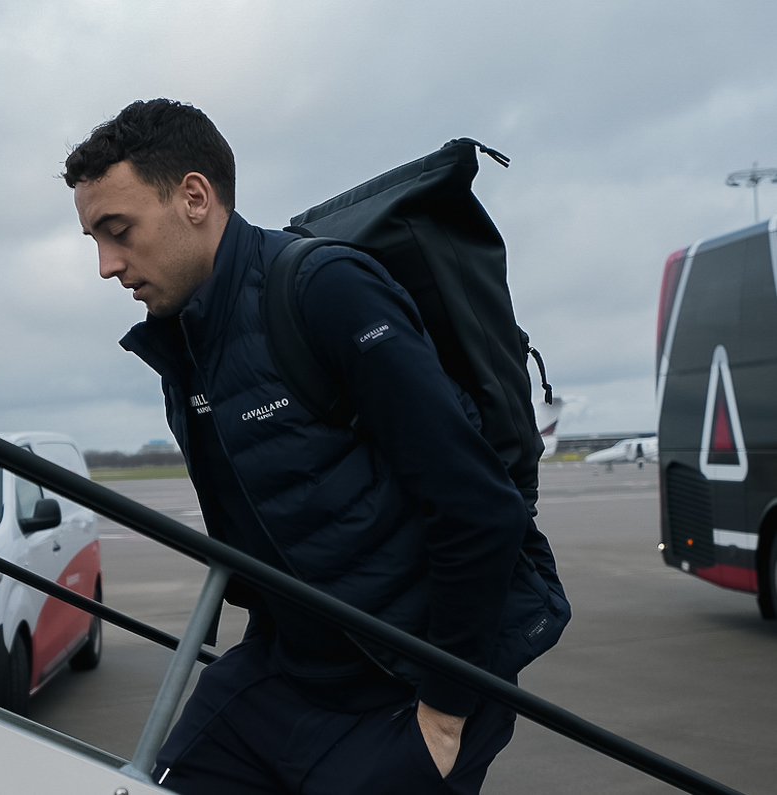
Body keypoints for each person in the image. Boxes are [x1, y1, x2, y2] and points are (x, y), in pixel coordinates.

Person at [64, 99, 531, 794]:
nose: (106, 265)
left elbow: (479, 506)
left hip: (403, 685)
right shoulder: (186, 341)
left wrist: (444, 711)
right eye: (95, 240)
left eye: (118, 231)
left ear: (195, 197)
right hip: (286, 667)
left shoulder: (325, 290)